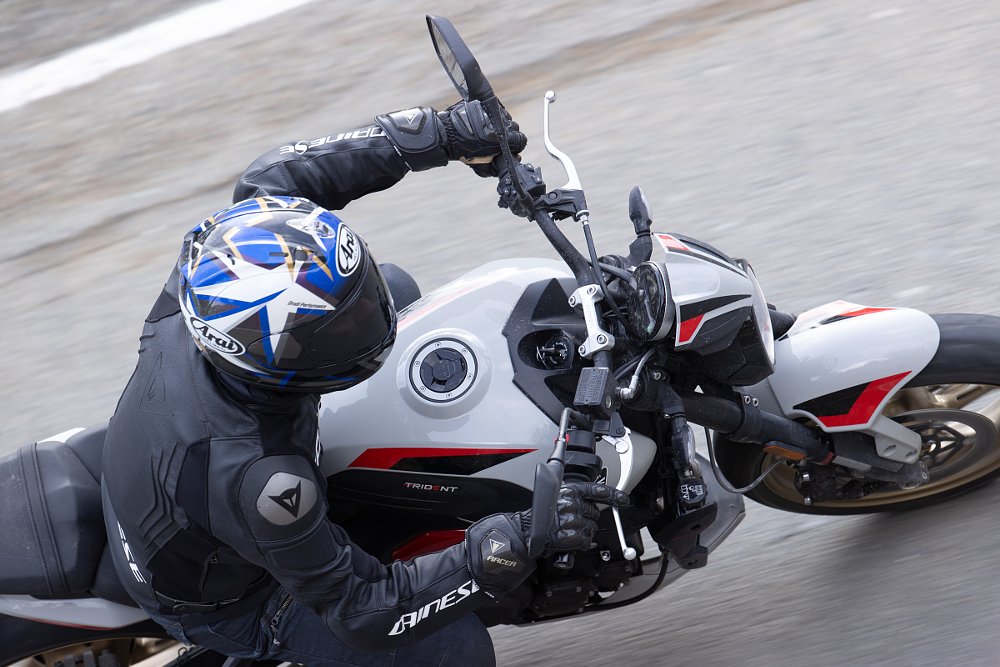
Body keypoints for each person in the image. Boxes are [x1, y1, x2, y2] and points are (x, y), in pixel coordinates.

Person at [101, 99, 630, 666]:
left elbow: (274, 179)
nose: (371, 321)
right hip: (228, 594)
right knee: (457, 655)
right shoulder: (266, 480)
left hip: (175, 473)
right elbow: (363, 609)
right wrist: (508, 543)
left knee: (402, 290)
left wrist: (432, 134)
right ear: (268, 358)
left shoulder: (208, 281)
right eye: (337, 331)